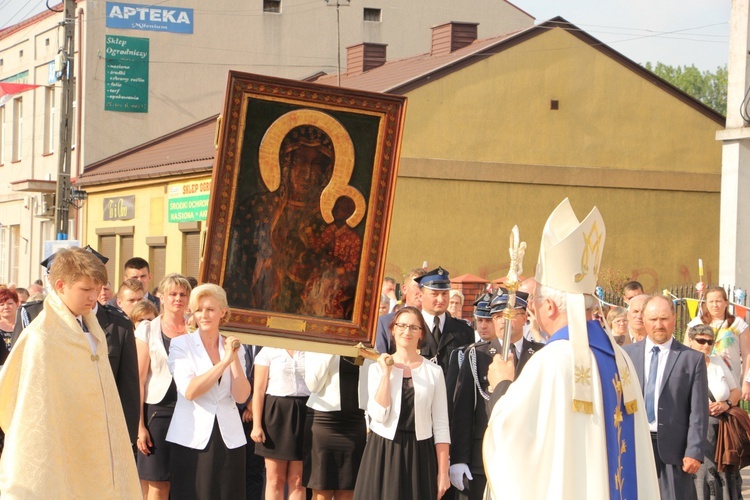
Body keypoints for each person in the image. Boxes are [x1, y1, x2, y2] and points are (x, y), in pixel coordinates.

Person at [483, 198, 659, 499]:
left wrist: (501, 386)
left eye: (536, 303)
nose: (535, 311)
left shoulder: (550, 361)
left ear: (549, 307)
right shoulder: (622, 361)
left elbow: (512, 442)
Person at [0, 247, 140, 497]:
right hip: (61, 447)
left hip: (97, 446)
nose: (94, 297)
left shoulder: (94, 328)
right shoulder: (41, 337)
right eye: (86, 290)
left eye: (97, 290)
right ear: (61, 285)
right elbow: (28, 411)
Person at [354, 306, 450, 499]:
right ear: (393, 329)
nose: (407, 332)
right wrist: (386, 373)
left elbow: (441, 426)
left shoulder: (434, 372)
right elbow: (379, 415)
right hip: (383, 450)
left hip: (419, 454)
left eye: (414, 327)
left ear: (421, 333)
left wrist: (443, 473)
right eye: (402, 326)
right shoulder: (376, 368)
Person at [166, 284, 251, 499]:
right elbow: (190, 390)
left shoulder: (232, 346)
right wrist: (223, 364)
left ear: (223, 312)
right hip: (191, 437)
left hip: (229, 437)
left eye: (210, 309)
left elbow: (241, 396)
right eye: (198, 309)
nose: (204, 315)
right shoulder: (180, 345)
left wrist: (234, 359)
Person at [623, 295, 709, 500]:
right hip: (636, 447)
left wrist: (694, 450)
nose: (659, 325)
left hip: (676, 454)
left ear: (674, 320)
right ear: (643, 321)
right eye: (653, 319)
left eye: (664, 319)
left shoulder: (692, 359)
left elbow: (698, 412)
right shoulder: (625, 355)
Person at [135, 273, 192, 500]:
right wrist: (139, 426)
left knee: (185, 483)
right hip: (158, 413)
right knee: (158, 484)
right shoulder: (148, 330)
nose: (178, 299)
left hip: (191, 411)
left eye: (183, 294)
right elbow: (139, 379)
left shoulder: (196, 328)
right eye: (173, 294)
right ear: (161, 296)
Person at [447, 292, 497, 499]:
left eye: (488, 320)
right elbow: (456, 406)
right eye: (480, 320)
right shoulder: (464, 354)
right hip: (475, 447)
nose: (483, 326)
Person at [686, 324, 742, 500]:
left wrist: (726, 404)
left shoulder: (718, 361)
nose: (706, 345)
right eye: (701, 341)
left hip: (722, 429)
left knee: (724, 473)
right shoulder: (683, 362)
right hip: (697, 428)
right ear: (691, 341)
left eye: (710, 342)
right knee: (703, 474)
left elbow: (736, 391)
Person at [303, 352, 366, 500]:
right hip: (324, 422)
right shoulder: (318, 344)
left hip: (355, 423)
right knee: (321, 492)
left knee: (348, 490)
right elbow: (313, 385)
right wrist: (332, 349)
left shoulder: (365, 339)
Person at [252, 347, 310, 500]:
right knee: (275, 479)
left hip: (305, 412)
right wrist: (256, 425)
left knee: (298, 481)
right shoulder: (268, 350)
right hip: (275, 413)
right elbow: (258, 389)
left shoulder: (310, 349)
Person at [686, 286, 749, 396]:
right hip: (701, 380)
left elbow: (747, 355)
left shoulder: (738, 324)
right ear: (705, 304)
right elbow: (686, 351)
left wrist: (746, 383)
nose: (715, 305)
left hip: (731, 384)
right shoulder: (696, 323)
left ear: (726, 303)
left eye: (718, 301)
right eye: (711, 301)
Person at [417, 267, 474, 374]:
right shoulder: (410, 328)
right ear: (420, 296)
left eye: (444, 294)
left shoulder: (464, 331)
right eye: (434, 294)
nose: (441, 299)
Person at [375, 268, 425, 354]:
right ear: (404, 289)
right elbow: (379, 358)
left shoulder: (434, 323)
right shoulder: (385, 322)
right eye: (417, 286)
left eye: (425, 287)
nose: (420, 292)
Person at [0, 286, 19, 356]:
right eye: (2, 304)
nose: (6, 307)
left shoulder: (24, 326)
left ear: (17, 304)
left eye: (10, 303)